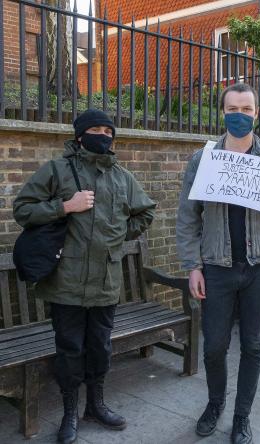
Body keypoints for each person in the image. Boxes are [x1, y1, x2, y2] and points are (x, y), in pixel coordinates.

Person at [13, 109, 156, 444]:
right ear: (80, 135)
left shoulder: (122, 176)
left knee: (100, 347)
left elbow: (146, 212)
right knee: (69, 349)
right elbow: (23, 210)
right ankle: (69, 413)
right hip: (66, 282)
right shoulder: (57, 170)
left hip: (106, 281)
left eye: (108, 129)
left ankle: (96, 405)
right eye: (95, 128)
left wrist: (119, 234)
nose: (103, 134)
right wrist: (65, 207)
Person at [176, 82, 260, 444]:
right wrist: (193, 265)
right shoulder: (203, 160)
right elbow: (187, 217)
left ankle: (242, 416)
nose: (239, 115)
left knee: (254, 345)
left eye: (246, 109)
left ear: (257, 113)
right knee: (214, 345)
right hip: (216, 268)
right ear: (223, 112)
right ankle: (215, 404)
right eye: (232, 108)